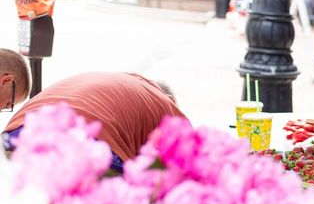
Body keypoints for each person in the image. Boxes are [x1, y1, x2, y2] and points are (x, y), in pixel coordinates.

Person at [1, 58, 185, 173]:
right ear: (168, 98)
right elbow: (180, 165)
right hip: (84, 146)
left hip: (17, 136)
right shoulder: (164, 106)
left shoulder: (114, 83)